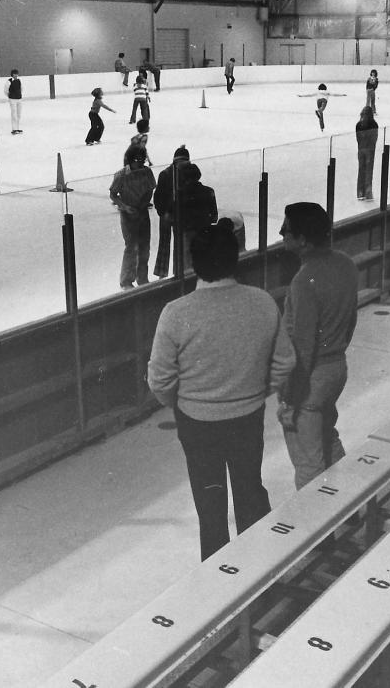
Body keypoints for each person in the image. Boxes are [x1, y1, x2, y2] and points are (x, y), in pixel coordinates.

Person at [147, 218, 296, 560]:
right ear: (236, 258)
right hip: (246, 417)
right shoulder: (261, 302)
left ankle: (218, 582)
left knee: (210, 503)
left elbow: (160, 380)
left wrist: (186, 403)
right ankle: (257, 572)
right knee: (249, 491)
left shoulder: (175, 313)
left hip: (197, 424)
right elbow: (285, 360)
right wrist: (256, 392)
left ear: (192, 263)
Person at [277, 202, 359, 490]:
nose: (281, 233)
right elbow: (351, 321)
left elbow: (302, 347)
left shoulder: (303, 281)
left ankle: (317, 530)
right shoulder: (346, 264)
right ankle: (349, 511)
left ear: (303, 239)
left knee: (308, 461)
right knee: (328, 438)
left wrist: (289, 397)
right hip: (337, 368)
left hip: (311, 379)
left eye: (286, 229)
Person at [110, 143, 157, 289]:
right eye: (137, 160)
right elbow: (113, 194)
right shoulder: (121, 175)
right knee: (131, 247)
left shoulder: (147, 172)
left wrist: (144, 203)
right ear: (130, 160)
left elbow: (151, 189)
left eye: (143, 160)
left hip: (142, 212)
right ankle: (126, 280)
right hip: (128, 215)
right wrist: (125, 207)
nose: (141, 163)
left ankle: (142, 277)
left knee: (144, 246)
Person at [153, 145, 190, 279]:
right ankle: (161, 273)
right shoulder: (165, 174)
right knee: (165, 242)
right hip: (167, 213)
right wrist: (163, 213)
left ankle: (177, 270)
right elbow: (158, 197)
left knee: (179, 244)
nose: (183, 166)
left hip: (180, 213)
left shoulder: (187, 173)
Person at [177, 162, 218, 267]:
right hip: (205, 231)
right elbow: (214, 217)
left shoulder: (180, 194)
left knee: (188, 264)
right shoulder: (208, 191)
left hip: (187, 233)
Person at [355, 106, 378, 201]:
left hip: (361, 149)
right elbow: (374, 138)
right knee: (369, 171)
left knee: (361, 171)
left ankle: (360, 192)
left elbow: (358, 138)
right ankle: (368, 192)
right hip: (370, 150)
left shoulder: (358, 125)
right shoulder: (374, 124)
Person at [5, 69, 23, 134]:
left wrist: (19, 95)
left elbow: (21, 89)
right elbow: (6, 90)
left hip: (19, 99)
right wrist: (10, 96)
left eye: (16, 74)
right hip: (12, 99)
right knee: (14, 114)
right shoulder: (9, 81)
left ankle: (17, 128)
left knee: (19, 114)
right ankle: (14, 129)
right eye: (14, 74)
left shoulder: (19, 80)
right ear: (12, 74)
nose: (16, 75)